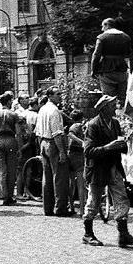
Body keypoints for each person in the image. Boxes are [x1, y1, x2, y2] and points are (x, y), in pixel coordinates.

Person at [82, 95, 133, 247]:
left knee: (121, 199)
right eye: (112, 105)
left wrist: (122, 145)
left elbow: (120, 144)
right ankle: (88, 234)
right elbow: (88, 151)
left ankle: (123, 234)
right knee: (94, 201)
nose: (116, 106)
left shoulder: (115, 123)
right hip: (98, 170)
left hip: (113, 167)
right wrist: (109, 147)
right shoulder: (93, 125)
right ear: (104, 109)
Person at [35, 86, 70, 216]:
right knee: (59, 177)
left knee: (47, 177)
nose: (60, 96)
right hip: (53, 143)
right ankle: (61, 208)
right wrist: (61, 151)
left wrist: (41, 148)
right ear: (50, 96)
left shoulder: (42, 109)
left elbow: (38, 132)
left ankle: (47, 208)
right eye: (57, 94)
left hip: (44, 142)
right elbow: (56, 133)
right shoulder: (55, 111)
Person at [90, 17, 132, 104]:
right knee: (122, 97)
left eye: (102, 26)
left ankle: (110, 116)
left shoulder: (102, 38)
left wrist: (93, 70)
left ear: (107, 26)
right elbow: (128, 53)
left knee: (108, 99)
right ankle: (122, 116)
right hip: (122, 70)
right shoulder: (126, 37)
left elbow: (96, 55)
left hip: (106, 70)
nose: (102, 29)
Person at [0, 92, 20, 206]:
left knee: (1, 170)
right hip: (11, 140)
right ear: (8, 102)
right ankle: (10, 195)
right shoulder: (13, 115)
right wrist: (20, 147)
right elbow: (18, 133)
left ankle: (3, 194)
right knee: (11, 169)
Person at [15, 93, 39, 199]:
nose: (24, 124)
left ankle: (25, 191)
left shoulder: (24, 116)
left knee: (25, 171)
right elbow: (26, 140)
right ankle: (21, 192)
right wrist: (26, 145)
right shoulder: (21, 132)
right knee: (24, 171)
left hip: (26, 150)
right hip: (25, 151)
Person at [67, 112, 87, 217]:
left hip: (70, 154)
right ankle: (82, 209)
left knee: (71, 183)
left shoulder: (73, 125)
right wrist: (82, 142)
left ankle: (71, 206)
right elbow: (70, 134)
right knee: (81, 184)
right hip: (78, 155)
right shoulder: (77, 125)